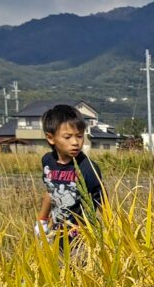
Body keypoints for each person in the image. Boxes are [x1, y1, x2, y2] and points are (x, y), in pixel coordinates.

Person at [36, 104, 105, 248]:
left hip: (83, 239)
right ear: (50, 138)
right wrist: (42, 221)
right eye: (68, 137)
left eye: (79, 136)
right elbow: (50, 191)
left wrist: (113, 231)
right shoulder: (48, 162)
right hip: (56, 235)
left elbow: (102, 201)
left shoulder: (88, 168)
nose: (75, 142)